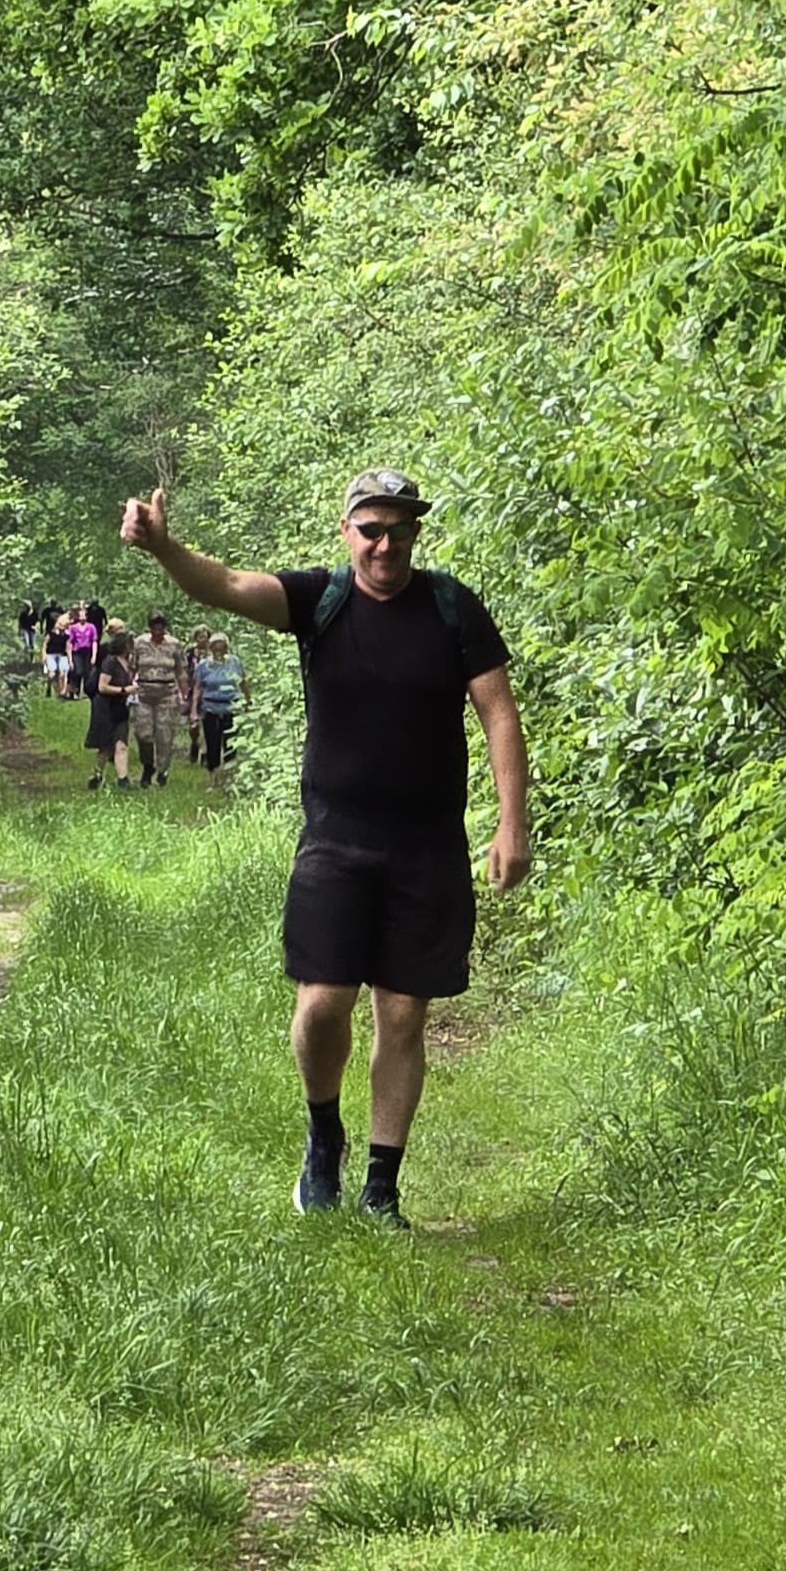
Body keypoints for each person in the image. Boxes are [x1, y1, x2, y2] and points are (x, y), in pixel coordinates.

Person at [122, 468, 528, 1225]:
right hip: (335, 842)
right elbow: (226, 586)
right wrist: (163, 547)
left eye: (398, 530)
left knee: (402, 1015)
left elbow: (498, 712)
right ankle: (323, 1134)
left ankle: (381, 1189)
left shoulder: (452, 608)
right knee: (321, 1006)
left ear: (415, 533)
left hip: (427, 847)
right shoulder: (321, 600)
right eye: (371, 530)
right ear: (348, 532)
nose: (385, 544)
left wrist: (512, 824)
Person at [129, 613, 192, 789]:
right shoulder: (139, 643)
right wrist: (128, 688)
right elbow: (132, 668)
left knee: (164, 735)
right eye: (154, 628)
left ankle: (163, 771)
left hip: (167, 694)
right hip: (144, 692)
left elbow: (181, 671)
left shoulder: (174, 645)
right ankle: (147, 766)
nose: (158, 631)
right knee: (143, 734)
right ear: (150, 628)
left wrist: (185, 694)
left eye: (161, 628)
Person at [86, 622, 134, 788]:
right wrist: (124, 690)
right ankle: (97, 775)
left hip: (121, 707)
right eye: (129, 643)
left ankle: (123, 779)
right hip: (106, 707)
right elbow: (102, 686)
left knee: (121, 743)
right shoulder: (110, 662)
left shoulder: (129, 662)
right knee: (106, 746)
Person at [193, 631, 244, 783]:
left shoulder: (234, 662)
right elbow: (198, 688)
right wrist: (193, 710)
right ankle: (213, 775)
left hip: (231, 708)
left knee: (231, 744)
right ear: (211, 648)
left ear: (226, 648)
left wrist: (248, 701)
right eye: (216, 647)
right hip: (211, 709)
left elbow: (243, 682)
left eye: (222, 647)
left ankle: (229, 776)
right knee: (212, 743)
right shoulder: (204, 666)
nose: (219, 651)